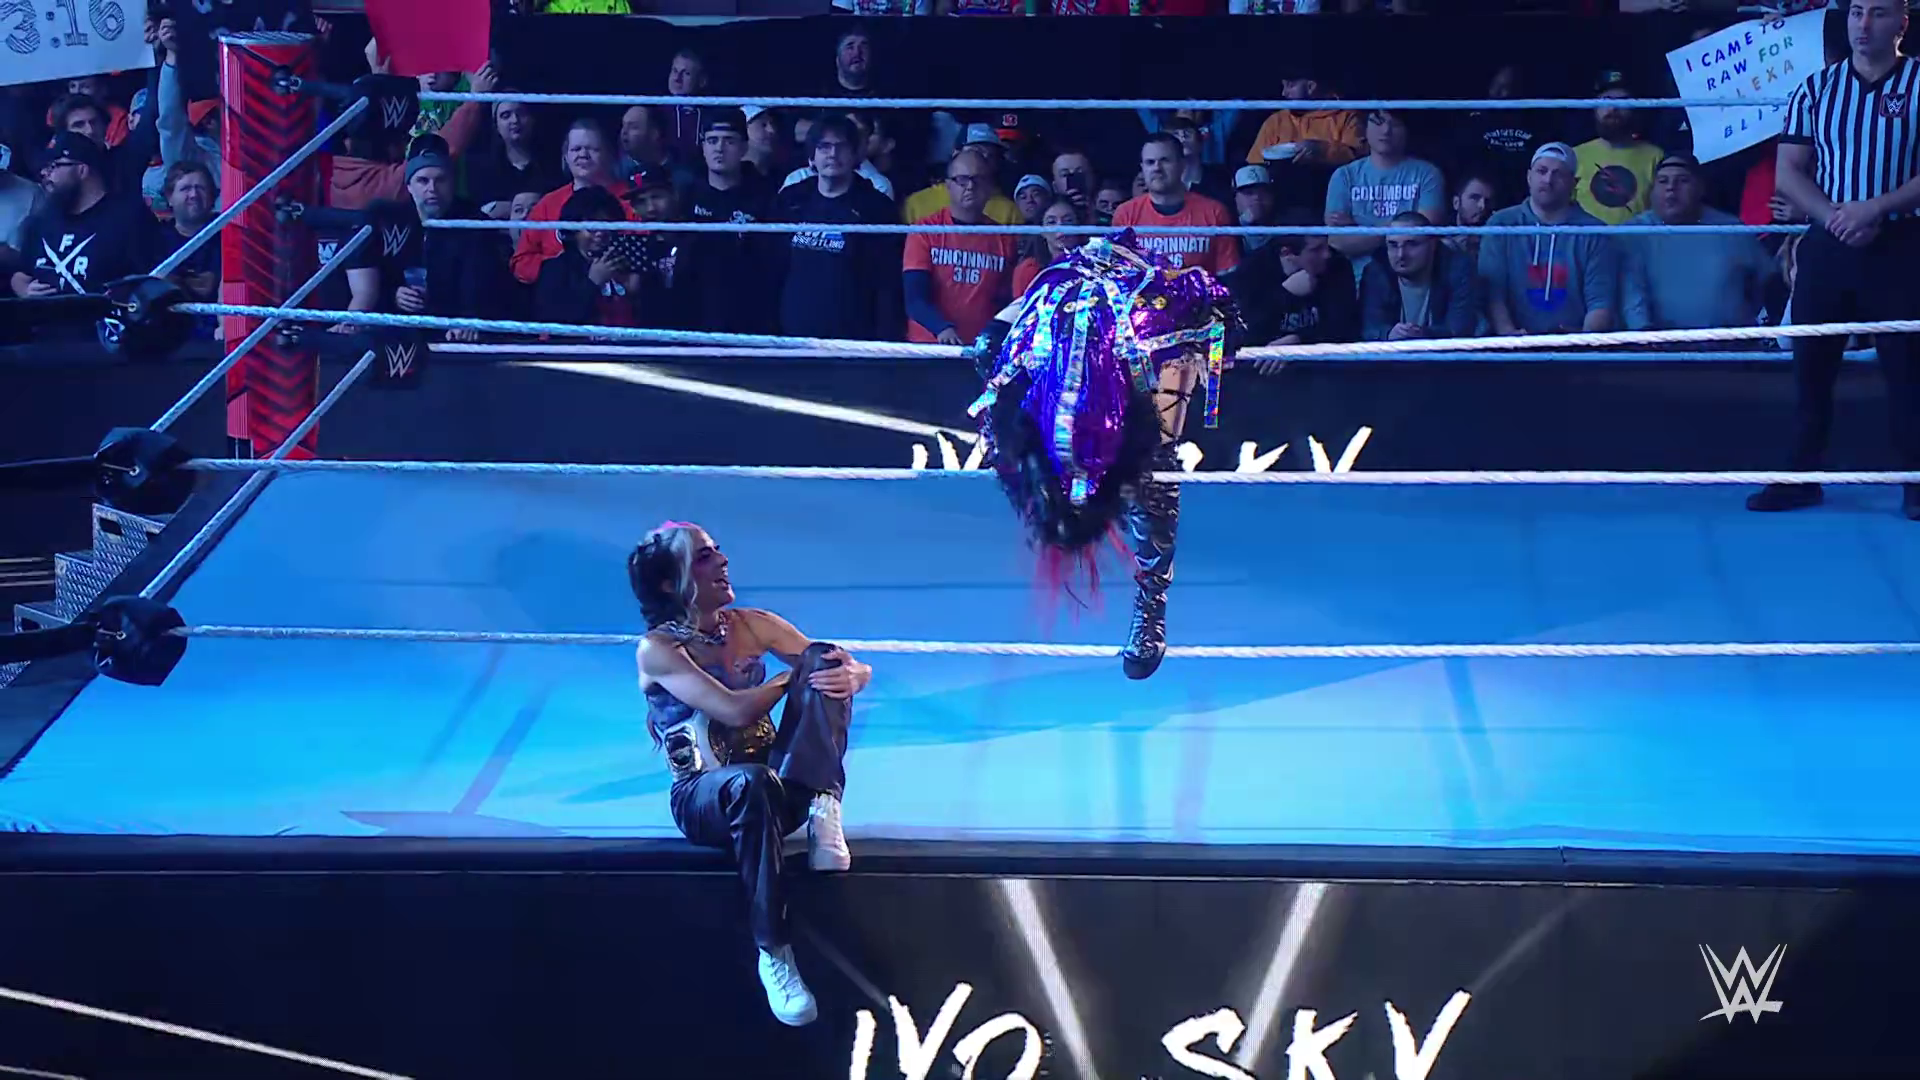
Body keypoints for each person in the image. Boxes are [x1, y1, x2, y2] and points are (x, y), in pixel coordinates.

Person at [966, 230, 1243, 680]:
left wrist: (1217, 333)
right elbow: (1000, 339)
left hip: (1139, 367)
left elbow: (1216, 309)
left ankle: (1151, 604)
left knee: (1154, 467)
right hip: (1064, 384)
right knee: (1006, 385)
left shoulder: (1160, 301)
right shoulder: (1058, 287)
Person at [631, 522, 870, 1028]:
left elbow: (834, 662)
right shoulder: (658, 650)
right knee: (751, 781)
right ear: (671, 583)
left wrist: (853, 673)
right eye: (703, 557)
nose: (722, 562)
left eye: (717, 551)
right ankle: (774, 952)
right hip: (706, 798)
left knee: (820, 657)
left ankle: (824, 803)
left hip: (777, 788)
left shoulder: (751, 623)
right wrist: (791, 679)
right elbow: (735, 710)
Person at [1748, 0, 1920, 521]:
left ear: (1902, 23)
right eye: (1856, 12)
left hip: (1903, 240)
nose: (1863, 25)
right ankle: (1801, 478)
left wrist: (1876, 207)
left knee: (1909, 367)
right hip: (1829, 240)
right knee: (1811, 363)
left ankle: (1915, 481)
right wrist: (1836, 217)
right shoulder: (1815, 88)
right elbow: (1789, 173)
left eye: (1878, 14)